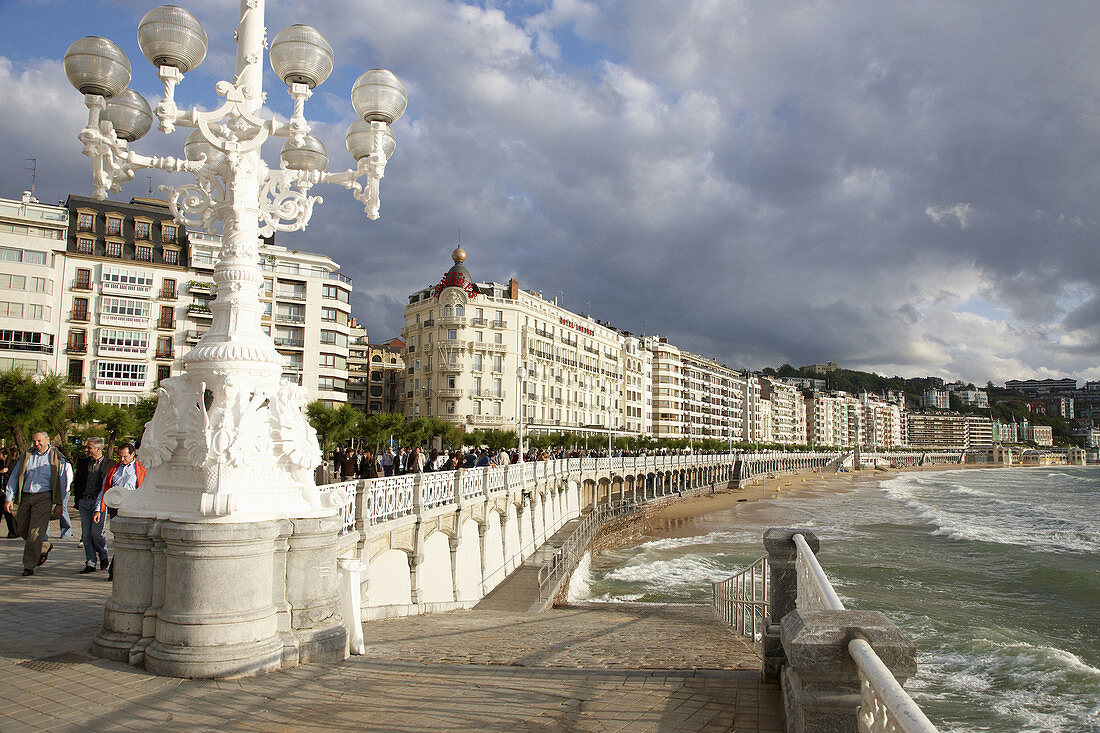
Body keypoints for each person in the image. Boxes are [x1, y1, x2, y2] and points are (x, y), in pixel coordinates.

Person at [3, 431, 70, 577]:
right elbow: (15, 476)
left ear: (47, 440)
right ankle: (43, 546)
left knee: (35, 533)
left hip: (44, 497)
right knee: (22, 528)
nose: (36, 444)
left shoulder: (57, 458)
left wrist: (59, 503)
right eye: (34, 441)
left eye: (39, 441)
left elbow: (63, 482)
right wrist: (9, 497)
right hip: (26, 496)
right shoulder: (27, 455)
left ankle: (29, 565)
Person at [93, 444, 145, 582]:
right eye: (120, 456)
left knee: (129, 538)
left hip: (132, 508)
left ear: (133, 454)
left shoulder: (140, 469)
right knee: (119, 539)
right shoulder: (114, 470)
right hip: (116, 508)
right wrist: (98, 509)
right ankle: (115, 570)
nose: (122, 459)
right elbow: (105, 490)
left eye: (125, 456)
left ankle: (116, 570)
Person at [72, 438, 110, 574]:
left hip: (99, 503)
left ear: (98, 449)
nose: (86, 450)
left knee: (97, 533)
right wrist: (79, 499)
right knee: (86, 534)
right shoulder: (83, 463)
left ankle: (103, 554)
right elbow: (77, 481)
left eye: (89, 448)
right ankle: (90, 562)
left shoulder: (109, 464)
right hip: (84, 502)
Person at [0, 446, 18, 538]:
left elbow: (13, 478)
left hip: (7, 491)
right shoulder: (1, 463)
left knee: (7, 512)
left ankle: (14, 531)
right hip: (2, 491)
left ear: (5, 455)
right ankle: (14, 531)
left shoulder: (13, 464)